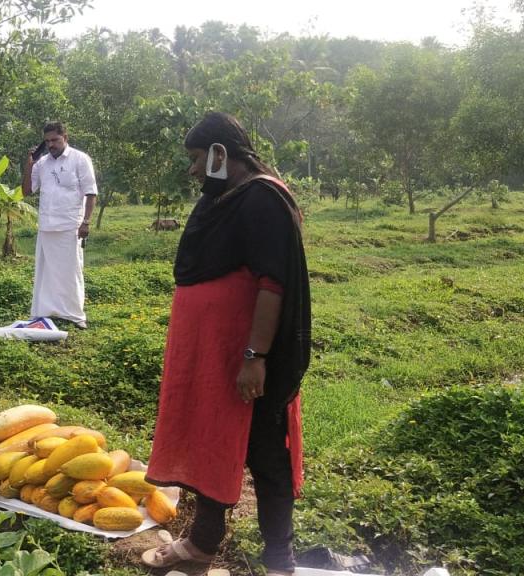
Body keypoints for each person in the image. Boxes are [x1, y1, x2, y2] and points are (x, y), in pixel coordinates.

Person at [141, 112, 311, 576]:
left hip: (247, 362)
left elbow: (273, 284)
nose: (193, 169)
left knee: (266, 454)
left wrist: (255, 357)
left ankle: (280, 561)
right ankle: (202, 545)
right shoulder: (220, 200)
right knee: (211, 443)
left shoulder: (263, 199)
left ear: (220, 154)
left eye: (197, 158)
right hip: (213, 360)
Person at [21, 122, 97, 329]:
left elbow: (91, 192)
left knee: (71, 272)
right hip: (46, 225)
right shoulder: (42, 163)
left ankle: (75, 315)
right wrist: (29, 164)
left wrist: (86, 222)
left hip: (70, 225)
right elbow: (27, 191)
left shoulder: (80, 159)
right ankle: (44, 312)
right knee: (45, 272)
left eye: (55, 140)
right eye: (47, 141)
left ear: (65, 138)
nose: (51, 144)